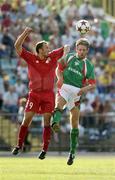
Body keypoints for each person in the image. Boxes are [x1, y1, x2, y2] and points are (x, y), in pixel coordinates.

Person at [12, 27, 70, 159]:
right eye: (46, 47)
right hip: (34, 94)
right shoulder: (31, 58)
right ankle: (19, 145)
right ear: (39, 50)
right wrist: (25, 33)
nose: (49, 49)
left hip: (48, 94)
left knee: (47, 121)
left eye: (49, 47)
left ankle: (44, 149)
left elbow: (66, 46)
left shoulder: (53, 56)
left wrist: (66, 50)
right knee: (27, 119)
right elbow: (17, 45)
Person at [51, 38, 96, 165]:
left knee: (74, 122)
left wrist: (84, 89)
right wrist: (59, 78)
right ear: (76, 49)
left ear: (87, 51)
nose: (81, 52)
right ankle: (55, 123)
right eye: (79, 49)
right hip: (65, 86)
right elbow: (58, 69)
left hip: (77, 92)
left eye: (83, 50)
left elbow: (93, 84)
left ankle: (72, 152)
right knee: (59, 103)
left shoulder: (88, 65)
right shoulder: (69, 57)